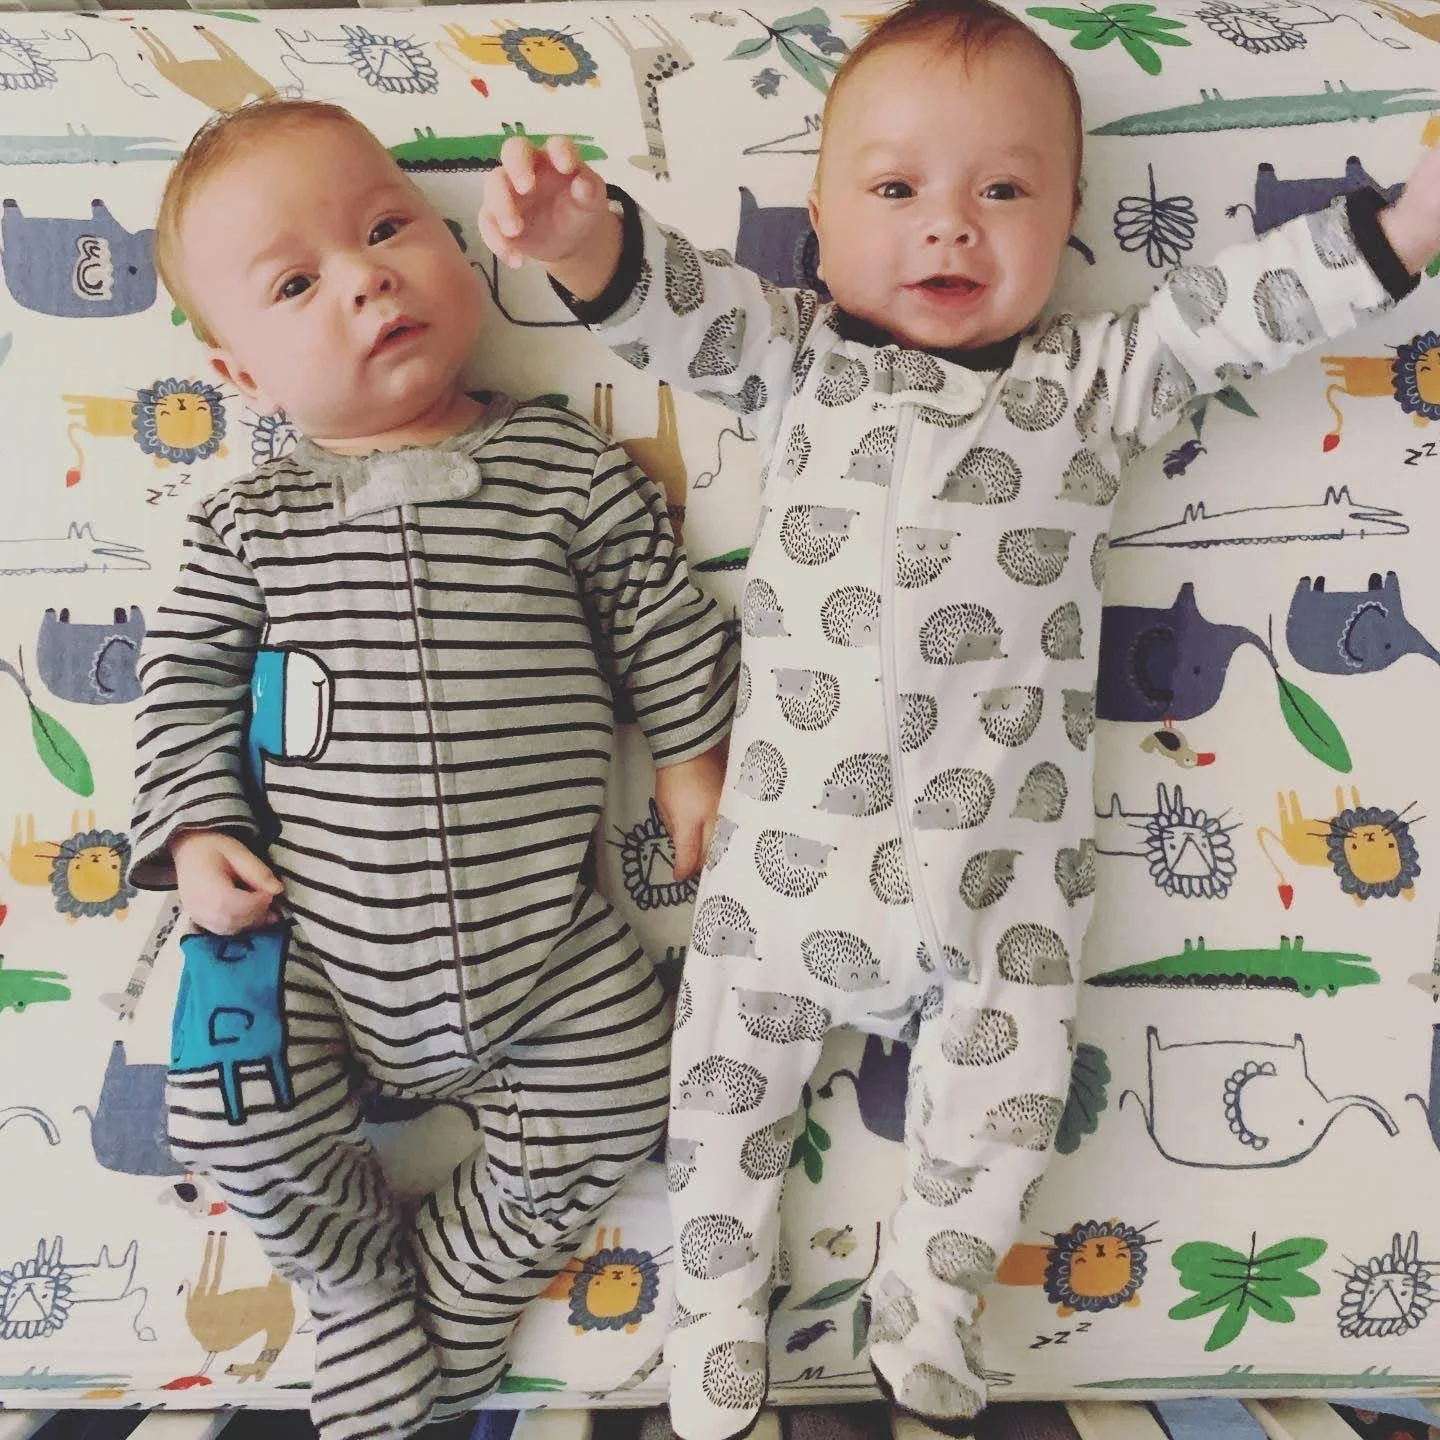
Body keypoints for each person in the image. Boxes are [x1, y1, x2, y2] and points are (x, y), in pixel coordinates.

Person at [478, 0, 1440, 1434]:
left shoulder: (1096, 380)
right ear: (817, 223)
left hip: (1004, 881)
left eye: (1004, 191)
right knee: (722, 1092)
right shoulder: (800, 360)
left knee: (1011, 1095)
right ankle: (714, 1312)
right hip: (788, 867)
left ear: (1068, 222)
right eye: (895, 190)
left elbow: (1244, 308)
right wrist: (579, 241)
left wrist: (1410, 223)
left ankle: (933, 1297)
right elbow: (675, 306)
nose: (949, 226)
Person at [130, 97, 737, 1440]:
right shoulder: (249, 523)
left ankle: (464, 1281)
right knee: (225, 1110)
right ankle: (352, 1287)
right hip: (311, 935)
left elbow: (659, 608)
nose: (365, 279)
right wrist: (194, 832)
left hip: (549, 937)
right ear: (241, 376)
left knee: (627, 1083)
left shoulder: (560, 465)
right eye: (297, 284)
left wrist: (691, 757)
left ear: (455, 246)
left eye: (387, 227)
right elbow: (180, 682)